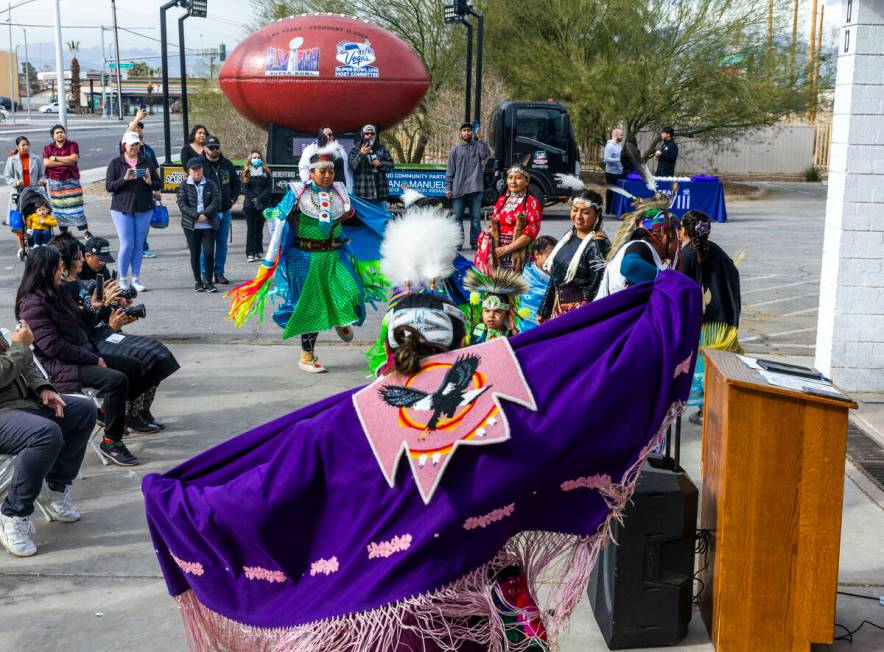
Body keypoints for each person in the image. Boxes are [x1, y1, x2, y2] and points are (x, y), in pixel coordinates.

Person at [227, 146, 369, 373]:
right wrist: (270, 213)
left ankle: (340, 320)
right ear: (311, 172)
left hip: (332, 256)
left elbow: (357, 215)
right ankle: (307, 357)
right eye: (322, 171)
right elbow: (278, 212)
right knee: (311, 309)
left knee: (351, 292)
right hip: (305, 259)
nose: (327, 175)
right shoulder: (298, 192)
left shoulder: (340, 192)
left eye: (330, 171)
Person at [16, 246, 143, 466]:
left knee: (134, 366)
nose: (62, 271)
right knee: (116, 380)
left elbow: (80, 322)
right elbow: (53, 347)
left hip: (82, 353)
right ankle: (111, 441)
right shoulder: (32, 305)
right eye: (59, 267)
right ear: (46, 270)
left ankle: (109, 413)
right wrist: (93, 359)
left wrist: (96, 308)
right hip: (60, 366)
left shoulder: (59, 291)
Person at [52, 233, 178, 432]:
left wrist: (115, 308)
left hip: (101, 334)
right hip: (92, 343)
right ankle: (127, 414)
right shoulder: (58, 291)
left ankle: (140, 410)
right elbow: (75, 329)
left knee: (157, 352)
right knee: (146, 359)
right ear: (63, 262)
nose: (82, 261)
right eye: (78, 257)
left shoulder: (79, 281)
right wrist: (109, 323)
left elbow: (91, 314)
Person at [0, 320, 96, 557]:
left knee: (83, 410)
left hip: (22, 405)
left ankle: (55, 487)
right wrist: (20, 346)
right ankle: (13, 514)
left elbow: (26, 366)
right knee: (44, 434)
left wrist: (44, 388)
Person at [677, 210, 742, 423]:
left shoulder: (686, 254)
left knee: (703, 366)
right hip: (722, 322)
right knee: (716, 367)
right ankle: (714, 408)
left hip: (702, 325)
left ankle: (708, 411)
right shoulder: (718, 252)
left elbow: (681, 292)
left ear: (683, 230)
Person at [538, 189, 610, 320]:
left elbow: (597, 287)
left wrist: (582, 318)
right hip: (559, 309)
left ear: (597, 214)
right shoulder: (570, 235)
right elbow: (557, 276)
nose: (578, 216)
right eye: (575, 210)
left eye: (586, 212)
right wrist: (544, 309)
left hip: (579, 314)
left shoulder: (597, 244)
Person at [106, 131, 161, 292]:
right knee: (127, 244)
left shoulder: (146, 162)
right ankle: (122, 278)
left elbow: (158, 184)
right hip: (121, 208)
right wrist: (124, 179)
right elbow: (109, 186)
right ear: (124, 146)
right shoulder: (116, 163)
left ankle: (135, 278)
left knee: (138, 245)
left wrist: (150, 182)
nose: (135, 148)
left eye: (137, 144)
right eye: (132, 145)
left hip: (144, 208)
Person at [595, 200, 680, 300]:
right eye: (676, 237)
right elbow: (630, 266)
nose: (679, 243)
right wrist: (670, 283)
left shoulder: (640, 250)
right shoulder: (640, 247)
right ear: (663, 232)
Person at [474, 164, 542, 273]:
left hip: (519, 254)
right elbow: (493, 225)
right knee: (496, 285)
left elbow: (530, 234)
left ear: (527, 181)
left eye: (518, 178)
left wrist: (506, 249)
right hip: (497, 253)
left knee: (516, 287)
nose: (513, 182)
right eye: (510, 178)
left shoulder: (532, 203)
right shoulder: (501, 201)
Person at [200, 135, 241, 285]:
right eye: (211, 148)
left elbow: (237, 184)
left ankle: (219, 273)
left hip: (225, 211)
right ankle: (205, 273)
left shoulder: (227, 164)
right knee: (206, 245)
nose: (214, 150)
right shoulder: (200, 165)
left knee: (222, 244)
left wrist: (232, 200)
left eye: (217, 147)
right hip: (208, 213)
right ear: (204, 148)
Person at [445, 122, 492, 249]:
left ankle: (475, 243)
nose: (466, 132)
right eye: (464, 130)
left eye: (468, 130)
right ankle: (458, 243)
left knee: (476, 219)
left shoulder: (477, 146)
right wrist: (448, 188)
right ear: (460, 133)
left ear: (472, 132)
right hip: (458, 189)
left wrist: (480, 138)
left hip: (475, 188)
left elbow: (486, 154)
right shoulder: (454, 150)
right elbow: (450, 171)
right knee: (457, 218)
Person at [177, 159, 221, 293]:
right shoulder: (184, 185)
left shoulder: (210, 184)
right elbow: (182, 204)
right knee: (194, 253)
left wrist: (205, 214)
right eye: (194, 169)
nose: (197, 172)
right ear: (189, 171)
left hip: (208, 224)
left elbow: (215, 200)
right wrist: (196, 215)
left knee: (208, 252)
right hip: (191, 225)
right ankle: (198, 281)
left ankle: (208, 280)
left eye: (199, 169)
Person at [43, 125, 91, 238]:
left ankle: (85, 232)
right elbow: (47, 163)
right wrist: (66, 161)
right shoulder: (48, 148)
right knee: (60, 209)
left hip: (71, 180)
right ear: (53, 136)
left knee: (77, 207)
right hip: (55, 182)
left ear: (65, 133)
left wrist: (55, 158)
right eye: (57, 133)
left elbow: (74, 159)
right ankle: (64, 234)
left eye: (62, 132)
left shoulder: (72, 145)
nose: (60, 134)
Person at [6, 136, 48, 260]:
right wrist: (16, 182)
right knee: (18, 222)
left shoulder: (36, 159)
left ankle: (36, 243)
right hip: (18, 194)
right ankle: (21, 247)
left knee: (35, 219)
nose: (25, 147)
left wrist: (42, 180)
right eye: (22, 145)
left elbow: (43, 174)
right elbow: (7, 176)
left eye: (27, 145)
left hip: (34, 194)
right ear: (17, 147)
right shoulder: (12, 160)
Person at [125, 108, 159, 259]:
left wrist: (157, 190)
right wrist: (137, 119)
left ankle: (143, 247)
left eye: (140, 128)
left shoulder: (149, 150)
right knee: (128, 223)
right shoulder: (125, 148)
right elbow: (126, 135)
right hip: (128, 192)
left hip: (146, 191)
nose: (138, 130)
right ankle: (130, 247)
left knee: (143, 223)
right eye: (135, 127)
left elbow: (156, 170)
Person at [463, 268, 529, 343]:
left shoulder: (512, 335)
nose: (491, 315)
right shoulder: (477, 331)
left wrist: (513, 330)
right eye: (487, 311)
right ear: (482, 312)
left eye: (497, 311)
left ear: (507, 314)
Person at [348, 124, 394, 212]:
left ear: (375, 135)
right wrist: (361, 154)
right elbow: (354, 167)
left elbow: (391, 166)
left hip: (381, 195)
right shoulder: (355, 149)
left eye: (372, 133)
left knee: (382, 221)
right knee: (364, 223)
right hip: (364, 195)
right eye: (367, 133)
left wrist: (380, 164)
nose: (369, 136)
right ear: (362, 135)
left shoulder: (382, 148)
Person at [298, 125, 353, 190]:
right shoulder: (311, 149)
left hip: (340, 189)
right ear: (320, 136)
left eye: (330, 135)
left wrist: (350, 188)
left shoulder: (340, 149)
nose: (328, 137)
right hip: (320, 188)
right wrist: (308, 183)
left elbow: (347, 171)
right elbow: (303, 167)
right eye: (325, 135)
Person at [519, 235, 557, 330]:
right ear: (537, 254)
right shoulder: (527, 276)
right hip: (525, 328)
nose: (554, 260)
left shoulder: (559, 274)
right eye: (550, 256)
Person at [241, 149, 273, 262]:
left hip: (262, 204)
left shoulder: (266, 172)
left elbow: (269, 188)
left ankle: (259, 251)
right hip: (249, 205)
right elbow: (244, 189)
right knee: (251, 229)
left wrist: (259, 199)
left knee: (259, 229)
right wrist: (254, 199)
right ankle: (250, 253)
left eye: (258, 157)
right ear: (250, 159)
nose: (256, 159)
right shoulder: (246, 172)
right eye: (254, 158)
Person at [603, 129, 624, 216]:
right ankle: (608, 210)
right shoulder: (610, 146)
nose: (622, 137)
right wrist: (619, 160)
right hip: (611, 172)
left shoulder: (619, 145)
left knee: (618, 192)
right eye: (621, 135)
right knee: (611, 191)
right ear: (615, 135)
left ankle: (615, 209)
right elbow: (606, 159)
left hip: (619, 172)